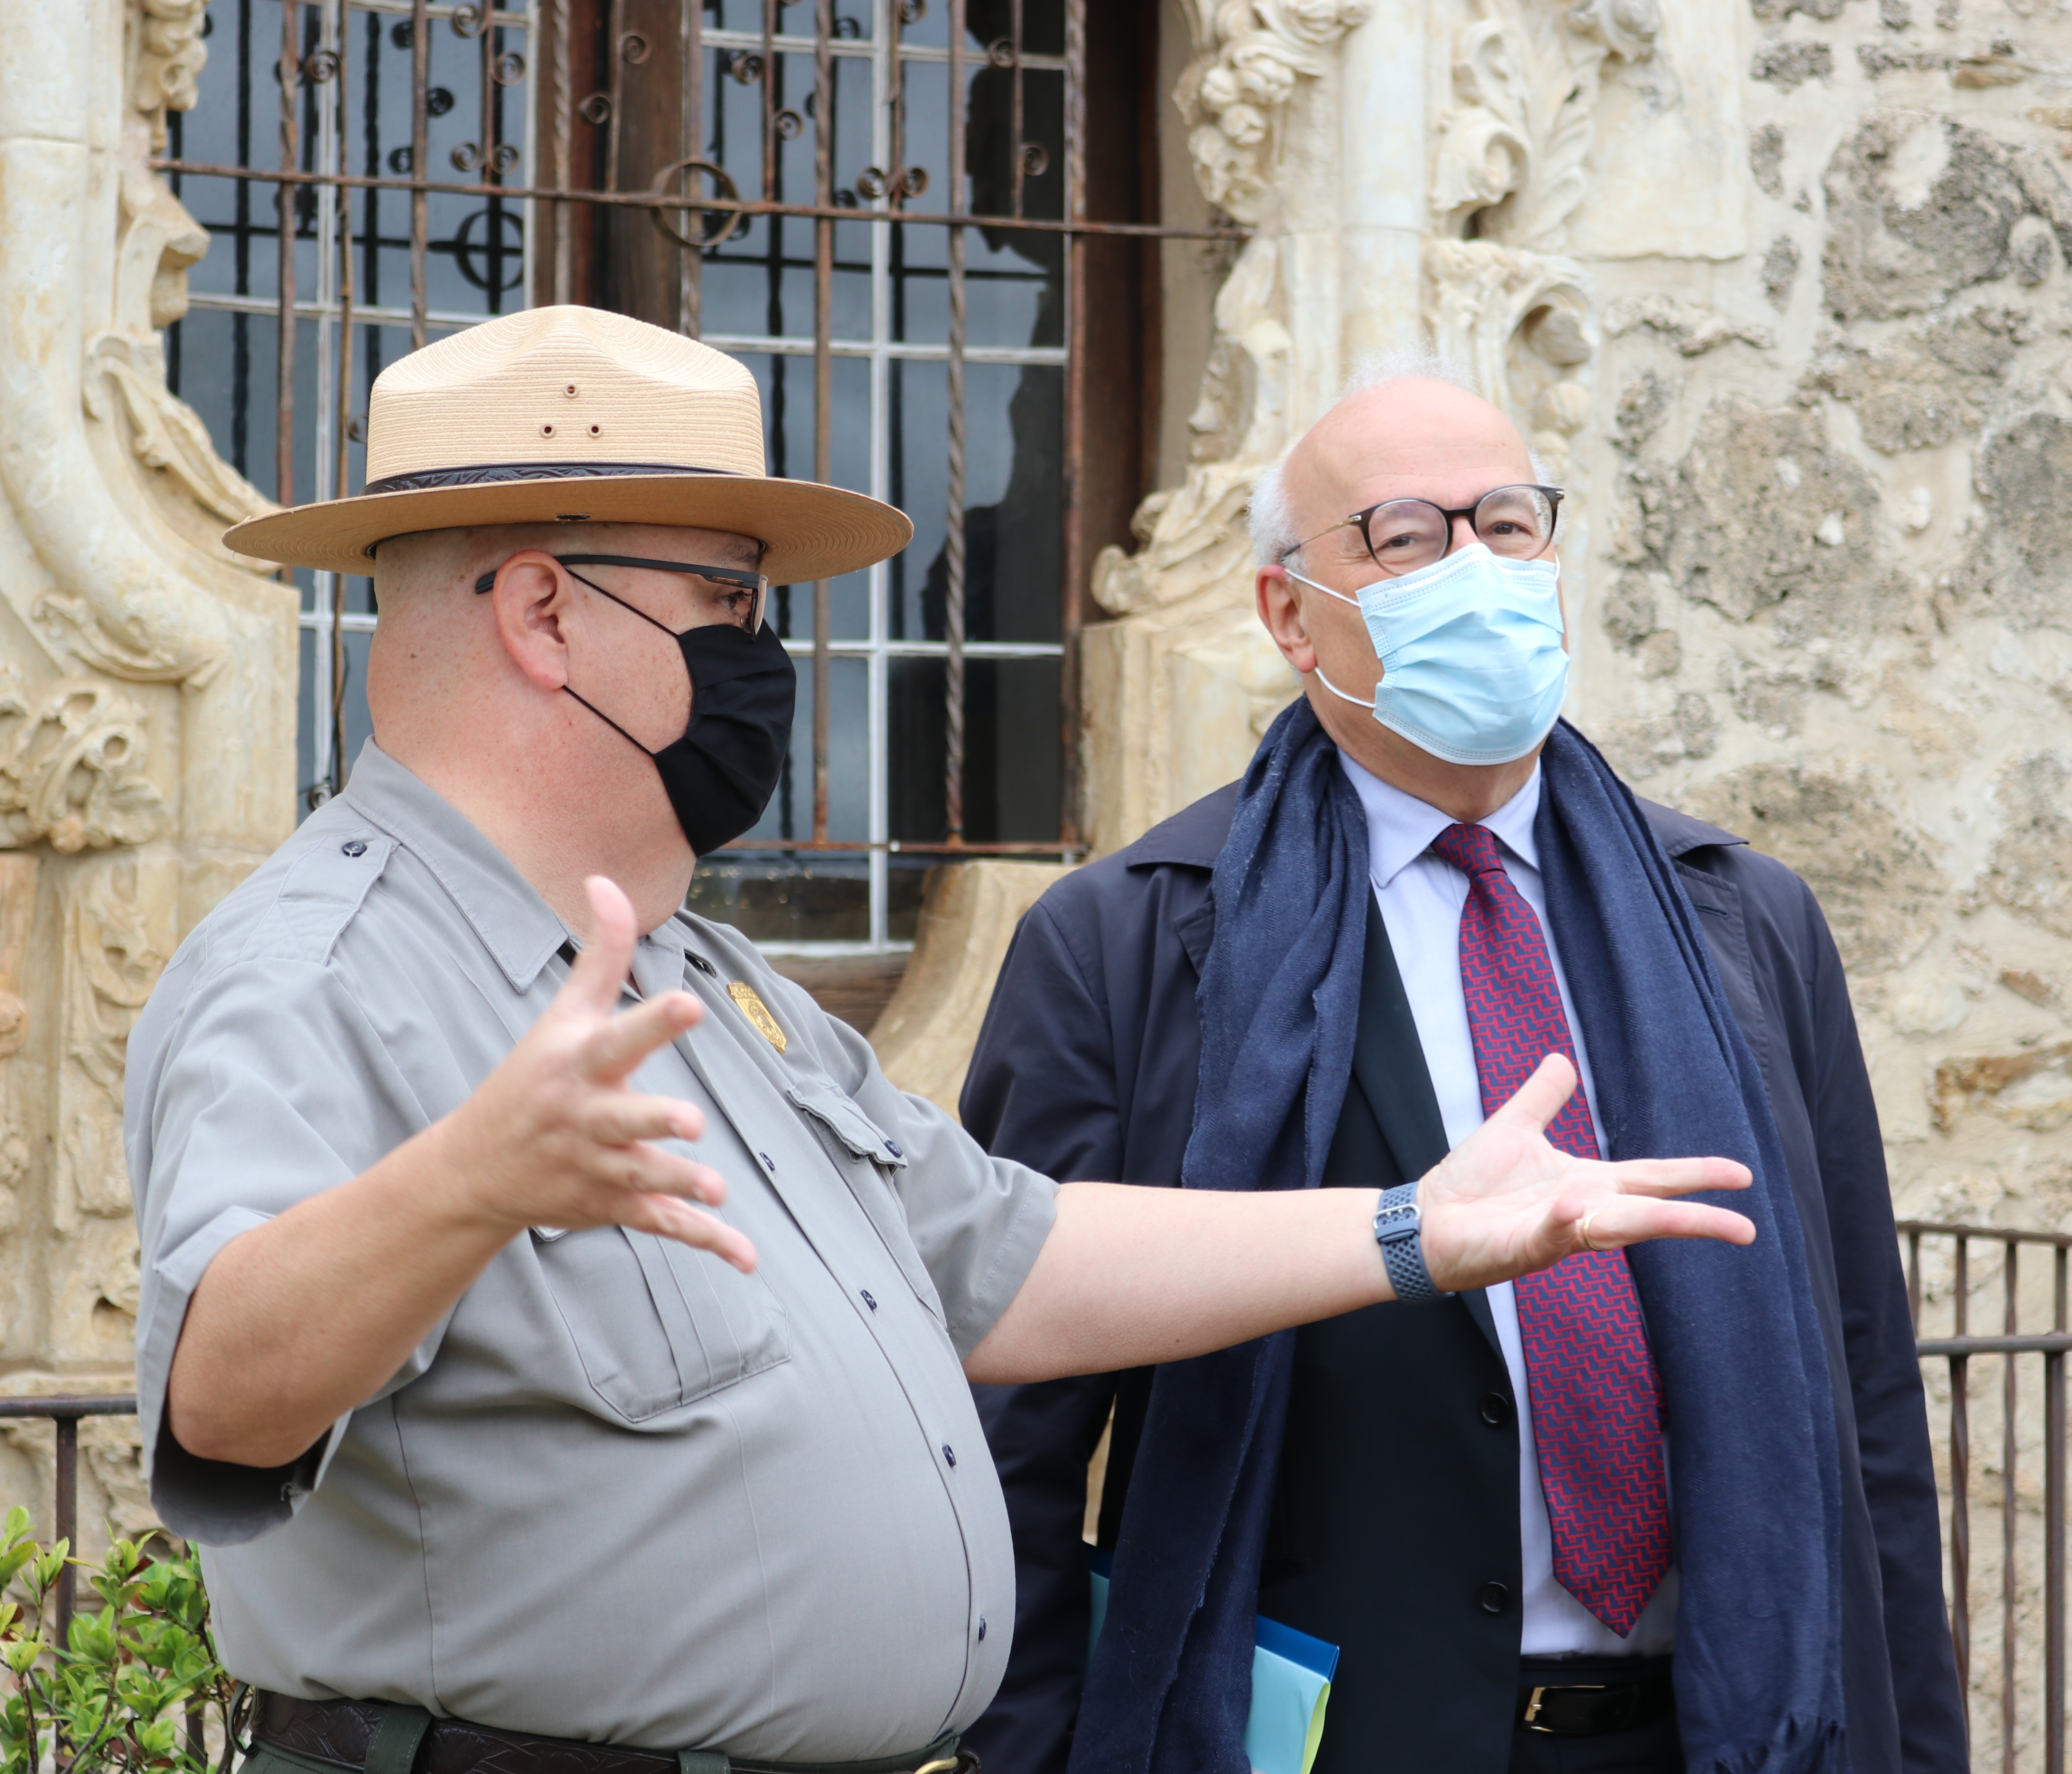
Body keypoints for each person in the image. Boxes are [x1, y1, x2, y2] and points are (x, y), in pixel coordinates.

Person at [124, 307, 1760, 1774]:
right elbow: (225, 1400)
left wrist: (1419, 1232)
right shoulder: (321, 969)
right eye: (726, 598)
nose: (769, 657)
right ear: (546, 615)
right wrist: (463, 1188)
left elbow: (1009, 1259)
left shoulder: (703, 981)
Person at [961, 362, 1969, 1774]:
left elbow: (1864, 1387)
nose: (1476, 567)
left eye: (1508, 523)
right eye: (1406, 536)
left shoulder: (1742, 917)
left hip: (1716, 1732)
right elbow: (1009, 1430)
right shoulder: (1132, 945)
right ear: (1290, 614)